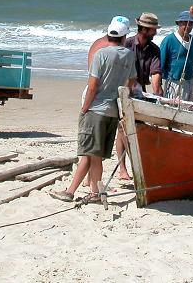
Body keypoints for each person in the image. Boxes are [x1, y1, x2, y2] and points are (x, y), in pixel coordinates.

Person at [51, 16, 137, 203]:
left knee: (91, 154)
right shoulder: (129, 55)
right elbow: (131, 82)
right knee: (94, 156)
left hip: (96, 109)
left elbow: (92, 86)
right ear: (124, 37)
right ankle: (88, 191)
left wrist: (84, 108)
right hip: (113, 111)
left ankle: (84, 192)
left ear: (109, 34)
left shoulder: (101, 54)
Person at [113, 12, 162, 182]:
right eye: (153, 30)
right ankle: (122, 169)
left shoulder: (155, 49)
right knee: (122, 130)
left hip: (140, 91)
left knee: (138, 129)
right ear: (144, 29)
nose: (155, 33)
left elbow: (155, 74)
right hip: (122, 90)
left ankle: (138, 167)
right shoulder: (126, 44)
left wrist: (157, 94)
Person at [159, 11, 193, 101]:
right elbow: (161, 63)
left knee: (188, 108)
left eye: (191, 24)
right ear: (179, 23)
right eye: (184, 23)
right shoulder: (169, 40)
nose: (188, 26)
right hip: (174, 82)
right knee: (172, 107)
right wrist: (159, 85)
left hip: (190, 80)